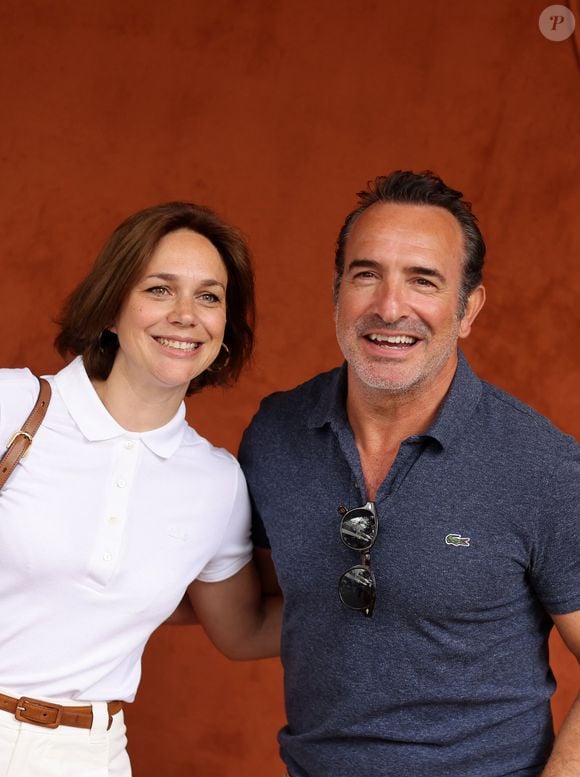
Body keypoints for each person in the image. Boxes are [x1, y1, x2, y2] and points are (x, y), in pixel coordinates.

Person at [239, 171, 580, 777]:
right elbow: (269, 613)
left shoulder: (542, 465)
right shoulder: (275, 435)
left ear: (468, 307)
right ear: (337, 292)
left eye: (423, 280)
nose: (389, 306)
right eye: (366, 274)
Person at [0, 201, 281, 777]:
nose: (186, 315)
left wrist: (398, 600)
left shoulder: (216, 483)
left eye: (209, 296)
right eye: (159, 289)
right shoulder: (11, 407)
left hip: (87, 755)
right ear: (110, 308)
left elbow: (243, 630)